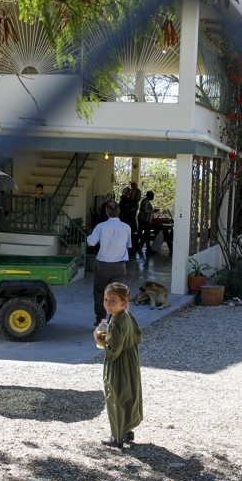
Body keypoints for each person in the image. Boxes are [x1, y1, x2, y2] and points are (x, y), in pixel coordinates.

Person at [92, 281, 143, 448]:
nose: (108, 304)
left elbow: (113, 350)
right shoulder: (128, 316)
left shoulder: (115, 322)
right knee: (129, 393)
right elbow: (138, 337)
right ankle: (127, 430)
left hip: (118, 364)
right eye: (106, 299)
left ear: (124, 303)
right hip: (131, 361)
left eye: (113, 300)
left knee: (116, 395)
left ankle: (117, 437)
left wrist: (99, 337)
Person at [86, 200, 132, 326]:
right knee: (118, 293)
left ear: (106, 212)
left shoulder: (100, 227)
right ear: (119, 211)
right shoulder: (126, 227)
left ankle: (100, 319)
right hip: (119, 265)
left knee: (100, 292)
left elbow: (90, 243)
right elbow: (129, 245)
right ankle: (115, 319)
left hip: (103, 265)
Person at [137, 190, 155, 255]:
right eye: (152, 196)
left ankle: (139, 247)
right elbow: (145, 210)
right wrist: (153, 211)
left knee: (143, 234)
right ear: (150, 196)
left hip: (142, 219)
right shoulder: (146, 202)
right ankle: (147, 248)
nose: (153, 197)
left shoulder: (144, 201)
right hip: (144, 219)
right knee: (147, 234)